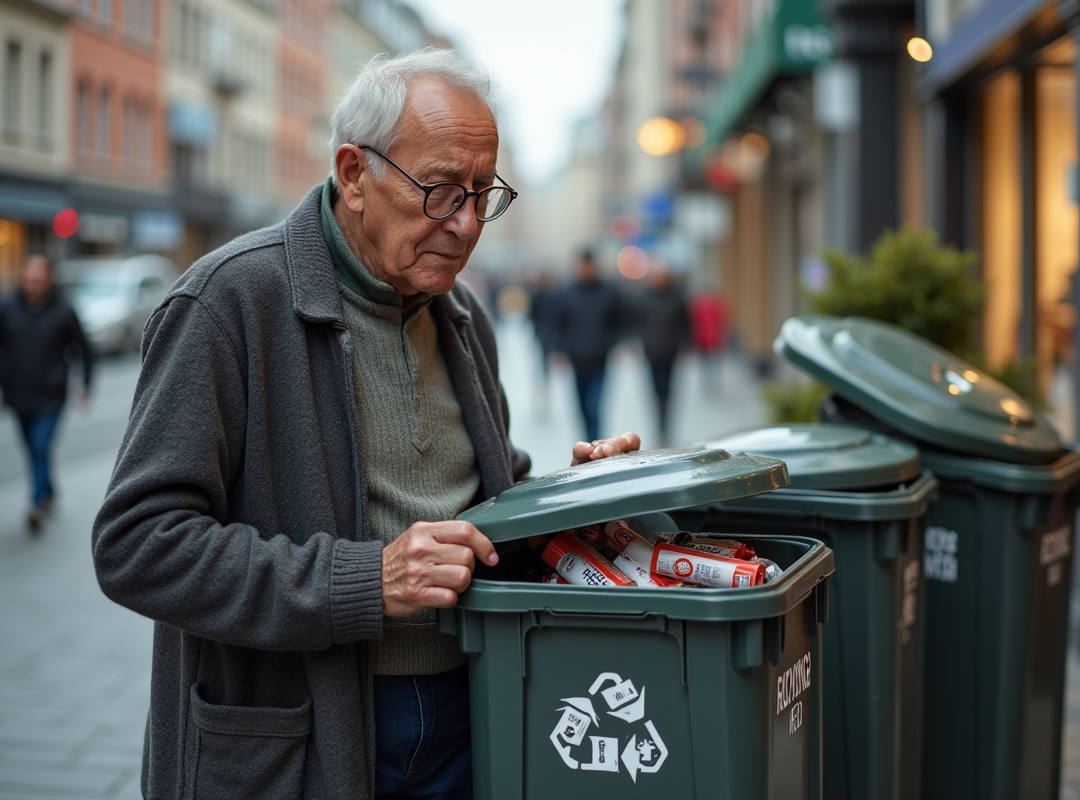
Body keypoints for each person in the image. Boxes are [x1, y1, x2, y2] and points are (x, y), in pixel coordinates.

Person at [91, 49, 640, 800]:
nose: (467, 222)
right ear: (354, 173)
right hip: (297, 735)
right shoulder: (227, 303)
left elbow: (486, 506)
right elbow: (136, 546)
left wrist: (572, 507)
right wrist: (364, 580)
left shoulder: (462, 315)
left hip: (462, 714)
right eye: (441, 190)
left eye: (484, 193)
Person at [0, 253, 93, 532]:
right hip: (18, 394)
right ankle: (49, 491)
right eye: (28, 279)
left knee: (40, 446)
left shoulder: (64, 311)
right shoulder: (7, 308)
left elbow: (84, 350)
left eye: (37, 279)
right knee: (32, 449)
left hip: (51, 396)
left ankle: (36, 504)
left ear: (49, 280)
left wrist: (85, 386)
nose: (32, 284)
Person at [551, 250, 624, 442]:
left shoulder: (609, 291)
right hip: (576, 360)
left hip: (599, 360)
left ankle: (595, 443)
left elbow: (619, 322)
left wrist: (610, 344)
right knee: (581, 407)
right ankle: (587, 441)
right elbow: (558, 323)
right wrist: (560, 350)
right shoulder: (567, 292)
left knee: (594, 406)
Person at [633, 265, 691, 442]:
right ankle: (658, 422)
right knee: (655, 391)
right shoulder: (644, 298)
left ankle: (665, 424)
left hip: (670, 352)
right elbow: (637, 323)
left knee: (669, 391)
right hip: (651, 353)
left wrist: (684, 345)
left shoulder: (676, 297)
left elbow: (685, 324)